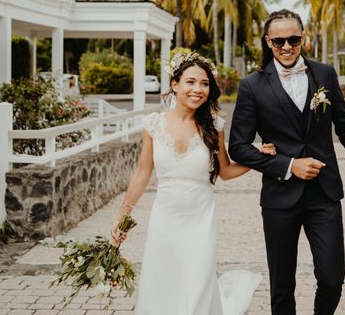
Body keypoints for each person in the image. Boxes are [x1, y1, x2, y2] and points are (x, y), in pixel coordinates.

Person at [229, 9, 345, 315]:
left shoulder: (324, 74)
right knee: (282, 286)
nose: (287, 46)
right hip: (279, 197)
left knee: (332, 277)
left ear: (303, 38)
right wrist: (287, 165)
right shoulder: (252, 86)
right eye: (279, 40)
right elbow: (238, 147)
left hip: (324, 194)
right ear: (268, 42)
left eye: (293, 39)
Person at [110, 51, 275, 315]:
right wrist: (122, 216)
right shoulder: (153, 124)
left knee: (198, 280)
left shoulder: (215, 127)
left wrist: (258, 157)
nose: (198, 89)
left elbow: (226, 171)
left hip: (200, 218)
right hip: (165, 217)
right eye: (190, 82)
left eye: (205, 83)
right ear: (174, 85)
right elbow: (142, 173)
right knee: (163, 280)